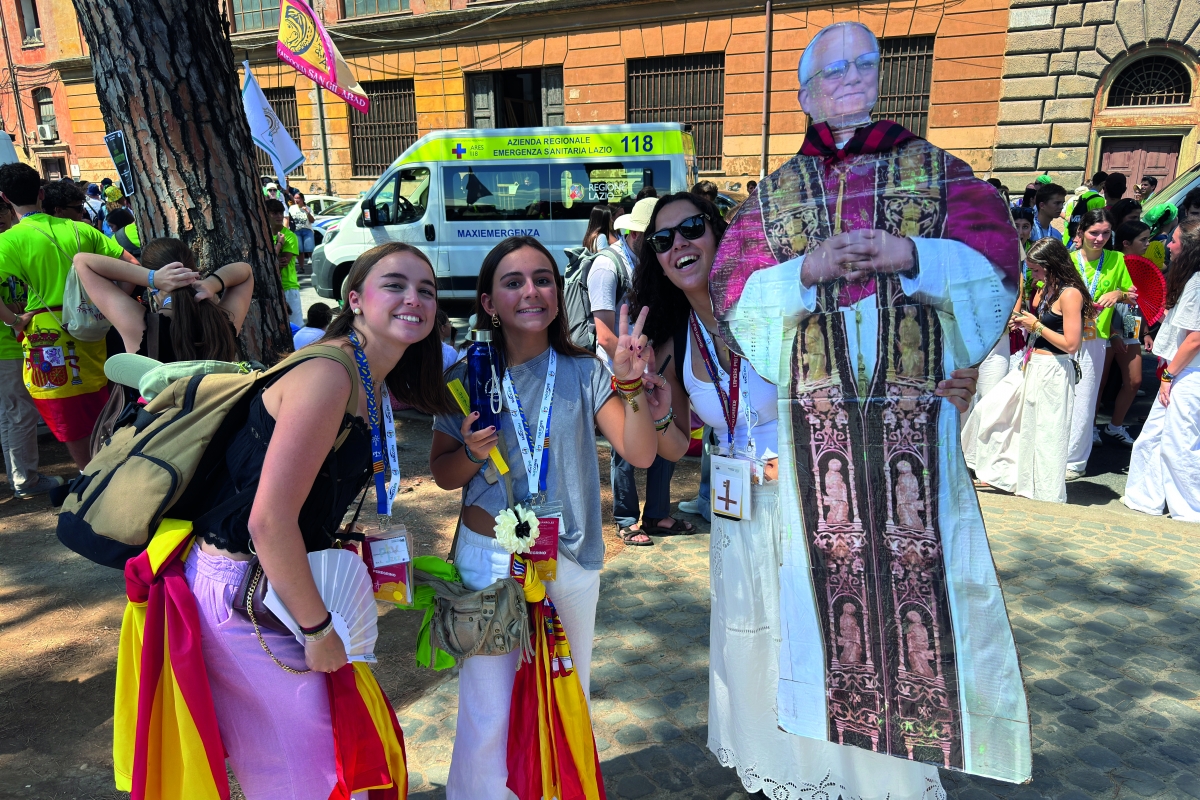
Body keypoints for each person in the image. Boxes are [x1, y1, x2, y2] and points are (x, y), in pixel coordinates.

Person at [710, 21, 1030, 785]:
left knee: (925, 598)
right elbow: (731, 290)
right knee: (821, 610)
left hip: (911, 424)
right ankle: (832, 771)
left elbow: (999, 264)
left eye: (863, 65)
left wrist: (912, 253)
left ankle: (903, 774)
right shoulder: (775, 194)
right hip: (812, 430)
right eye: (833, 71)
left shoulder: (937, 171)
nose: (851, 80)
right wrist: (806, 269)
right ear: (805, 94)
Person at [637, 189, 982, 795]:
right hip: (739, 524)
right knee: (760, 650)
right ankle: (789, 779)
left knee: (831, 647)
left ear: (720, 235)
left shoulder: (780, 304)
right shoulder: (674, 338)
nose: (678, 245)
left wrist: (939, 387)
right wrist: (658, 409)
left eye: (691, 228)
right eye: (662, 240)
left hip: (815, 504)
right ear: (657, 261)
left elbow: (869, 363)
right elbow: (669, 447)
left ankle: (862, 782)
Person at [154, 241, 449, 797]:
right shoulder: (329, 375)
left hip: (275, 584)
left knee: (307, 766)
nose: (414, 298)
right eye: (395, 285)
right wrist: (318, 630)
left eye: (426, 290)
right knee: (314, 771)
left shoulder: (366, 373)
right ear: (355, 299)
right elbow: (268, 521)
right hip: (242, 594)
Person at [430, 235, 659, 799]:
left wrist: (630, 383)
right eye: (513, 282)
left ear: (558, 293)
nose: (531, 291)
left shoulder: (585, 372)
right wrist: (473, 454)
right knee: (488, 707)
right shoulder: (464, 376)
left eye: (543, 279)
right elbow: (444, 473)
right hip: (489, 560)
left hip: (568, 556)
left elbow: (640, 453)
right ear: (488, 302)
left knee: (565, 691)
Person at [0, 163, 137, 470]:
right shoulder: (81, 229)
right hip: (92, 327)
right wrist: (112, 305)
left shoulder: (9, 240)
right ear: (41, 193)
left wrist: (13, 320)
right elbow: (131, 265)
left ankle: (93, 477)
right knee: (101, 405)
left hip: (47, 337)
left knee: (67, 416)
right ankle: (112, 471)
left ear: (5, 198)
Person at [588, 196, 689, 542]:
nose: (666, 245)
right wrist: (629, 372)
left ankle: (657, 513)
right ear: (635, 235)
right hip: (620, 373)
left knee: (664, 433)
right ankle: (626, 517)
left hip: (654, 368)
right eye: (657, 239)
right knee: (626, 448)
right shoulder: (607, 266)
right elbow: (604, 334)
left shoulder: (653, 268)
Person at [965, 238, 1089, 502]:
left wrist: (1036, 326)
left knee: (1046, 433)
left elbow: (1071, 344)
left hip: (1054, 370)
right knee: (992, 412)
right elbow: (1042, 327)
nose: (1033, 275)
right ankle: (1005, 474)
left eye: (1036, 269)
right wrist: (1023, 322)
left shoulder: (1070, 294)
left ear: (1051, 264)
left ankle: (1046, 494)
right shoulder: (1047, 289)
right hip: (1030, 365)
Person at [1124, 217, 1200, 520]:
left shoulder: (1197, 282)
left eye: (1175, 241)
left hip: (1187, 373)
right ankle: (1145, 498)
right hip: (1181, 371)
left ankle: (1191, 509)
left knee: (1180, 444)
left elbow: (1195, 339)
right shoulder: (1192, 280)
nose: (1168, 245)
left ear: (1189, 248)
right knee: (1152, 438)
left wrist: (1168, 375)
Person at [74, 239, 253, 365]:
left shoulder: (139, 326)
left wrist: (152, 278)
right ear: (194, 272)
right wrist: (211, 284)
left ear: (152, 287)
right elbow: (245, 271)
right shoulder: (221, 320)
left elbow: (82, 261)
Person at [1064, 209, 1136, 477]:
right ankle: (1054, 454)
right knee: (1061, 397)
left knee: (1085, 399)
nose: (1100, 238)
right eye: (1094, 233)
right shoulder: (1067, 260)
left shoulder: (1117, 259)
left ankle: (1075, 461)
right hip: (1064, 335)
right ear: (1081, 232)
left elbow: (1134, 295)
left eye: (1106, 233)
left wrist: (1119, 294)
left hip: (1095, 339)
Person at [0, 199, 61, 498]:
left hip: (14, 343)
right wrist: (14, 319)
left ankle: (21, 477)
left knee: (11, 413)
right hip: (6, 346)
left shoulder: (11, 246)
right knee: (21, 413)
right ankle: (26, 481)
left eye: (3, 219)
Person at [266, 198, 303, 328]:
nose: (279, 216)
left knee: (294, 327)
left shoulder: (289, 236)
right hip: (269, 288)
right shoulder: (261, 236)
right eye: (274, 213)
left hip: (288, 287)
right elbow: (272, 262)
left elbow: (283, 262)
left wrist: (272, 260)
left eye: (281, 213)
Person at [288, 191, 316, 274]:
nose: (296, 200)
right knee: (300, 250)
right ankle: (301, 267)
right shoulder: (292, 208)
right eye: (295, 198)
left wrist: (307, 212)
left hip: (307, 230)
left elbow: (312, 221)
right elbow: (289, 219)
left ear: (302, 199)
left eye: (298, 198)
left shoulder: (308, 208)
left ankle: (315, 268)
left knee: (310, 249)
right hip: (296, 231)